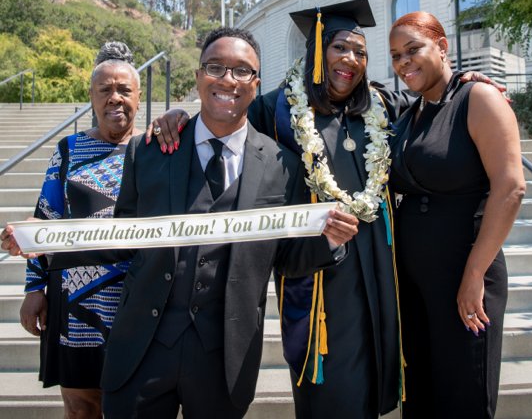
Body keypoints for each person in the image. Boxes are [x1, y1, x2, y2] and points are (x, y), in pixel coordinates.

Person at [147, 0, 501, 418]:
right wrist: (177, 117)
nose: (350, 60)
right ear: (316, 50)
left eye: (361, 52)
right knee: (332, 394)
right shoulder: (277, 108)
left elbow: (436, 107)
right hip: (318, 281)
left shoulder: (382, 106)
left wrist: (466, 83)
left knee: (381, 381)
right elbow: (225, 115)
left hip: (382, 272)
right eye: (339, 48)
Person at [3, 27, 359, 419]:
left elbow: (287, 257)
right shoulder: (151, 149)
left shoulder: (281, 164)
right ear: (198, 77)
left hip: (224, 355)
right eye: (216, 67)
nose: (228, 79)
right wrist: (43, 241)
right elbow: (119, 236)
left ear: (256, 85)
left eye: (242, 71)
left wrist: (329, 241)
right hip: (143, 348)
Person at [388, 11, 526, 418]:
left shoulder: (478, 97)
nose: (404, 62)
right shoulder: (409, 114)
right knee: (421, 399)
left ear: (443, 47)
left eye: (414, 49)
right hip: (412, 283)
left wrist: (473, 275)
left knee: (463, 398)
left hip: (465, 272)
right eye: (396, 55)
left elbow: (511, 187)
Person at [16, 41, 141, 419]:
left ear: (138, 95)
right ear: (91, 96)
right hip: (73, 300)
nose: (114, 99)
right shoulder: (69, 149)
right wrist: (34, 287)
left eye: (124, 90)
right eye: (105, 90)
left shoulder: (156, 147)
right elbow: (45, 216)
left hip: (136, 299)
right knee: (81, 405)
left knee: (133, 404)